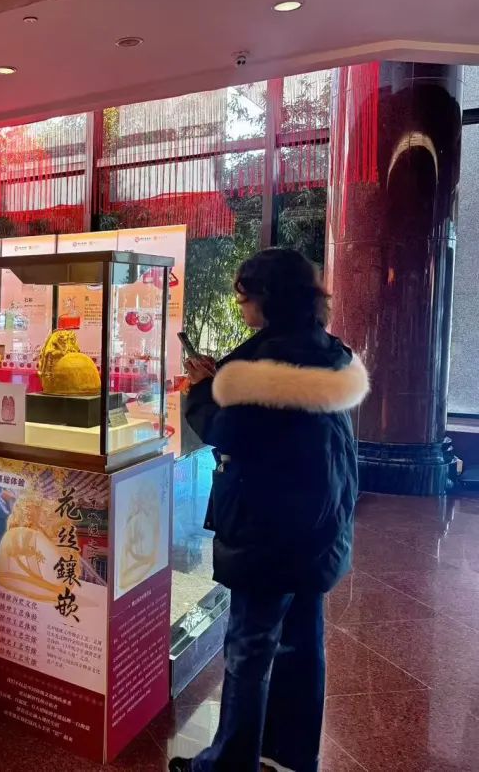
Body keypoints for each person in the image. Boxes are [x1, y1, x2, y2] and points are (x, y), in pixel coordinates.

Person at [170, 249, 368, 772]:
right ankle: (289, 755)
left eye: (244, 295)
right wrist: (220, 380)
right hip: (322, 520)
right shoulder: (326, 349)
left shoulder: (260, 365)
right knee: (302, 641)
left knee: (249, 646)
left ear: (268, 298)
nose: (240, 305)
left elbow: (229, 430)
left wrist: (200, 391)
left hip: (268, 527)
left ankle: (229, 763)